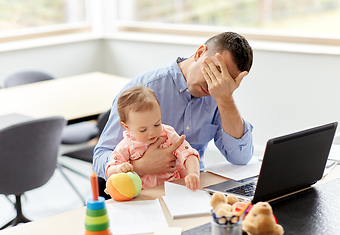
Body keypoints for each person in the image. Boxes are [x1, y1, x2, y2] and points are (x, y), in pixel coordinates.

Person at [94, 31, 254, 184]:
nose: (215, 82)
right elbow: (100, 157)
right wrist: (140, 167)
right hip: (145, 193)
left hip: (191, 189)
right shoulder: (143, 89)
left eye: (226, 79)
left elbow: (241, 157)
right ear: (199, 53)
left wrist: (226, 99)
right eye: (216, 70)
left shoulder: (218, 95)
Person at [106, 86, 200, 191]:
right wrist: (118, 169)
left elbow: (189, 154)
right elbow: (110, 170)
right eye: (143, 130)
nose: (152, 133)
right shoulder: (126, 145)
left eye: (156, 124)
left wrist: (194, 173)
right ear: (127, 127)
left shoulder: (168, 135)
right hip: (145, 196)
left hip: (175, 190)